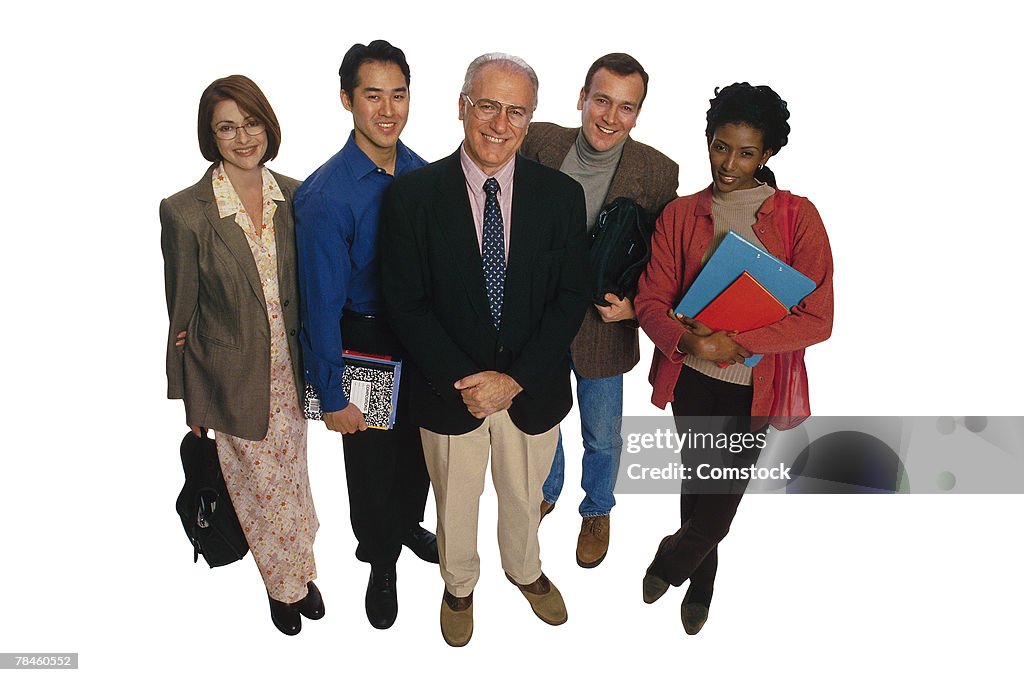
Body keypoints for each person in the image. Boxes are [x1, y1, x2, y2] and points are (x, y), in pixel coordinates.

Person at [379, 53, 590, 647]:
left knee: (525, 497)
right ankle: (458, 584)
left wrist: (514, 379)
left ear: (530, 118)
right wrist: (469, 381)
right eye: (488, 105)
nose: (500, 123)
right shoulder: (413, 197)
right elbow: (406, 303)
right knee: (455, 500)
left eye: (516, 110)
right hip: (452, 396)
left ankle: (525, 572)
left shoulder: (560, 197)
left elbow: (569, 297)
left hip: (532, 389)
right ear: (462, 107)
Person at [634, 82, 833, 635]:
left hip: (755, 384)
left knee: (721, 497)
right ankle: (701, 580)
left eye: (746, 153)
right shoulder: (680, 214)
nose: (729, 164)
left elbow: (818, 318)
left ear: (767, 155)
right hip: (693, 376)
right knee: (699, 482)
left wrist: (738, 343)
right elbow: (652, 299)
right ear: (709, 139)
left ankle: (676, 559)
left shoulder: (798, 218)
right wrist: (693, 342)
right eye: (721, 147)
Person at [160, 75, 322, 636]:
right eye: (226, 127)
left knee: (294, 478)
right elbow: (181, 314)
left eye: (251, 123)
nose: (242, 136)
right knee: (259, 489)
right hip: (229, 377)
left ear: (268, 125)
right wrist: (190, 398)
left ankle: (302, 568)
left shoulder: (298, 197)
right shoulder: (186, 212)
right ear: (211, 136)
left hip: (292, 372)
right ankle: (283, 588)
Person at [293, 39, 436, 632]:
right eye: (372, 94)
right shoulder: (326, 196)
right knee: (371, 462)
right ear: (347, 99)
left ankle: (405, 525)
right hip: (364, 341)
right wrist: (329, 394)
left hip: (421, 339)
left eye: (398, 94)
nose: (387, 109)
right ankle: (380, 560)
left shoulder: (425, 174)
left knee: (419, 453)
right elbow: (320, 304)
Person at [519, 53, 678, 568]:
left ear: (638, 114)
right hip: (537, 319)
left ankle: (598, 507)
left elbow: (668, 257)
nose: (610, 117)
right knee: (541, 422)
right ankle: (548, 488)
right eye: (602, 100)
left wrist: (637, 307)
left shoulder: (656, 171)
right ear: (582, 99)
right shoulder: (539, 141)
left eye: (626, 108)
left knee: (602, 432)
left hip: (603, 325)